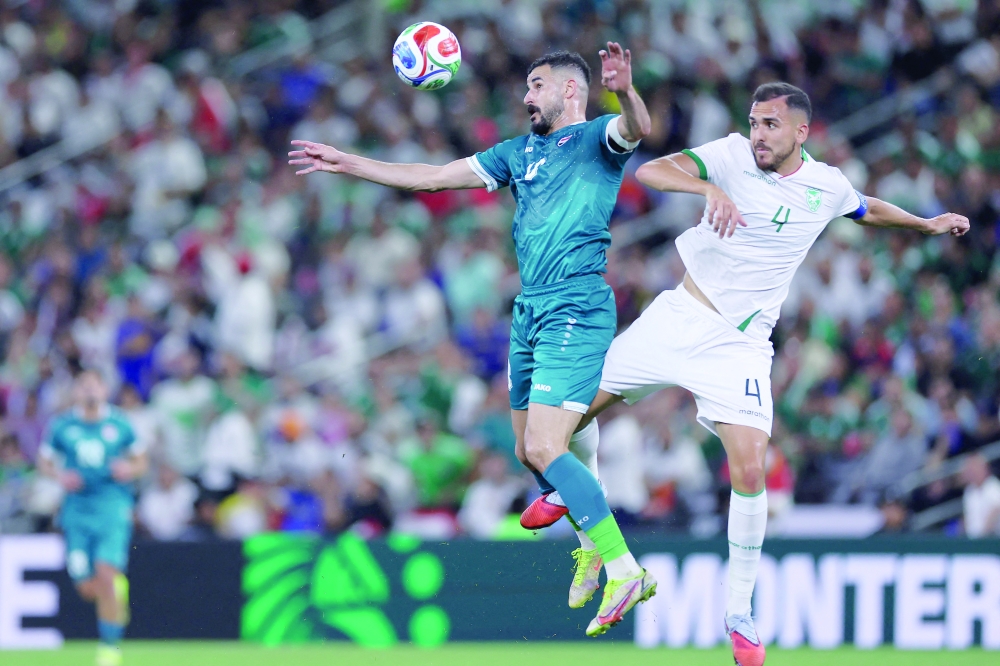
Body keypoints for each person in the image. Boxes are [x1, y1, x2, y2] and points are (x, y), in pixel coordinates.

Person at [521, 82, 970, 665]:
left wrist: (927, 224)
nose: (759, 134)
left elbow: (867, 209)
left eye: (771, 126)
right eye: (755, 123)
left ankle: (738, 614)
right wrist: (706, 186)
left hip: (740, 346)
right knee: (568, 415)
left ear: (800, 133)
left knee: (751, 465)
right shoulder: (731, 154)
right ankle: (585, 517)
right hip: (680, 314)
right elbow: (653, 171)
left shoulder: (826, 185)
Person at [289, 44, 654, 635]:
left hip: (575, 303)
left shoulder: (595, 142)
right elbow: (434, 178)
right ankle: (587, 532)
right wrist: (347, 162)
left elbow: (638, 128)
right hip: (530, 307)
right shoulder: (517, 153)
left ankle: (622, 567)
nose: (526, 96)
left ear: (569, 91)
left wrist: (626, 92)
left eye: (536, 85)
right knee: (529, 450)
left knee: (545, 447)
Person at [37, 371, 147, 666]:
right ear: (75, 392)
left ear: (104, 389)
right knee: (87, 587)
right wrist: (60, 475)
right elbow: (44, 461)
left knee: (105, 572)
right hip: (76, 509)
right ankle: (113, 591)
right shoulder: (62, 426)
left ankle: (109, 648)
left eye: (94, 386)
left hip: (111, 505)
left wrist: (128, 468)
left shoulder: (120, 423)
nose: (89, 391)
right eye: (83, 385)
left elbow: (141, 460)